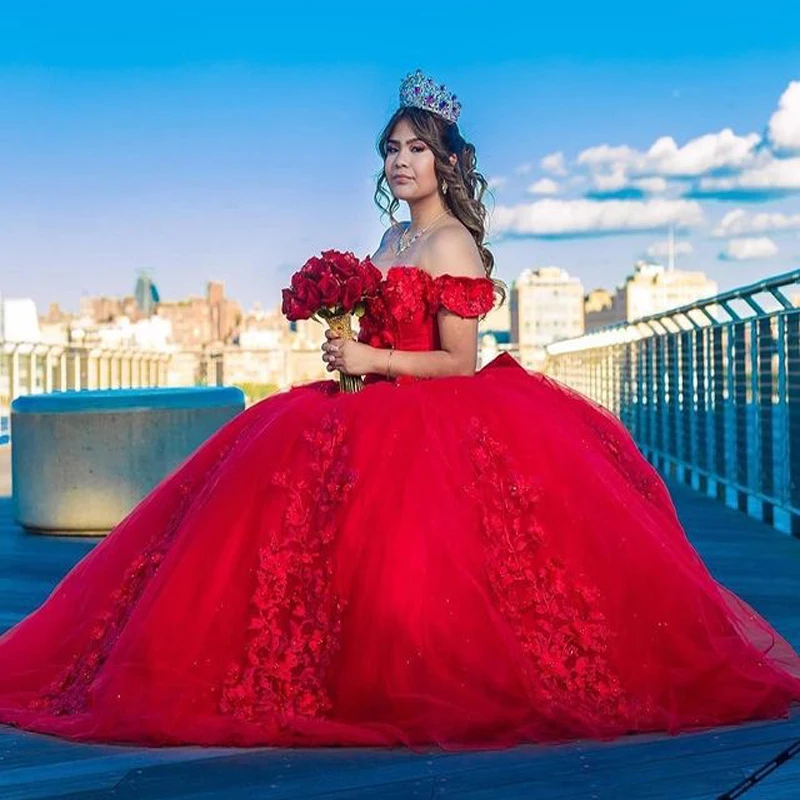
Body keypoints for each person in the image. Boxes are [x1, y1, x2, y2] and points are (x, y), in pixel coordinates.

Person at [0, 68, 799, 750]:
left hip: (432, 415)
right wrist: (343, 344)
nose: (403, 160)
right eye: (393, 148)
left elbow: (458, 362)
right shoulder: (387, 239)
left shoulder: (452, 244)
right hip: (362, 405)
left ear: (448, 162)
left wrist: (371, 358)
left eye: (418, 147)